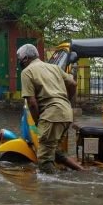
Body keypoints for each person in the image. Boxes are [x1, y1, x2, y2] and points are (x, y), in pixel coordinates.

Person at [18, 44, 83, 173]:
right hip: (66, 113)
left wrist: (37, 122)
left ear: (25, 58)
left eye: (19, 58)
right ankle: (82, 171)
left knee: (44, 161)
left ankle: (54, 188)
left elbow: (31, 103)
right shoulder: (54, 68)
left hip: (51, 116)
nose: (19, 61)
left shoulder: (27, 72)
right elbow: (73, 84)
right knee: (55, 151)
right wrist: (65, 101)